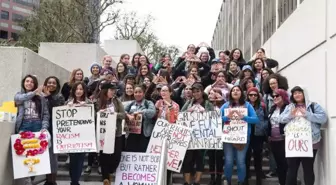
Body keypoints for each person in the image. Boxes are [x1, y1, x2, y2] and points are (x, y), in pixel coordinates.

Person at [279, 86, 328, 185]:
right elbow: (280, 119)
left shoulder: (313, 106)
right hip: (293, 143)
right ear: (292, 96)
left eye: (299, 92)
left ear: (304, 94)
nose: (297, 95)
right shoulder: (289, 107)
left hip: (310, 143)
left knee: (308, 170)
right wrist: (290, 116)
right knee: (291, 170)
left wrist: (307, 114)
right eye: (295, 93)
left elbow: (323, 118)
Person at [14, 74, 50, 185]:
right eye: (27, 81)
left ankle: (31, 178)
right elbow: (20, 99)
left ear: (34, 84)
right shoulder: (19, 95)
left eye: (31, 82)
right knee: (24, 156)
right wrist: (35, 92)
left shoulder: (41, 98)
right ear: (23, 83)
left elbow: (45, 114)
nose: (29, 83)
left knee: (36, 156)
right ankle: (27, 182)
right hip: (24, 126)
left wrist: (44, 127)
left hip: (37, 126)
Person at [220, 85, 259, 185]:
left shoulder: (248, 106)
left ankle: (241, 182)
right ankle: (227, 181)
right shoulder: (225, 106)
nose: (236, 92)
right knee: (228, 161)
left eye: (238, 90)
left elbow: (256, 119)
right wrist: (226, 117)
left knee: (240, 162)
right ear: (230, 93)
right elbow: (217, 120)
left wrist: (244, 117)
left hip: (243, 138)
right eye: (233, 90)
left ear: (242, 93)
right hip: (228, 138)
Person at [96, 82, 125, 185]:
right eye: (111, 90)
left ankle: (110, 171)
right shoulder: (97, 102)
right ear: (105, 91)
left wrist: (114, 114)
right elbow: (92, 117)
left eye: (114, 90)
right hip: (102, 134)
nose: (113, 92)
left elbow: (123, 115)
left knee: (116, 157)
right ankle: (106, 179)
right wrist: (99, 114)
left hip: (116, 133)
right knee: (104, 158)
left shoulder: (117, 101)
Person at [66, 82, 92, 185]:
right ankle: (73, 180)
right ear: (73, 91)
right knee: (72, 160)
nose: (79, 91)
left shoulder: (89, 103)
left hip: (83, 136)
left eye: (81, 89)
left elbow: (92, 118)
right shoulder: (68, 103)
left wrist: (86, 107)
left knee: (80, 160)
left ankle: (75, 182)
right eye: (77, 89)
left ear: (84, 91)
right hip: (71, 136)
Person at [42, 76, 65, 185]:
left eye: (54, 83)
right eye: (49, 82)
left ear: (57, 85)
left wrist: (49, 97)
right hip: (43, 128)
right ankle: (47, 180)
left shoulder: (59, 97)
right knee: (46, 157)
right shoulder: (40, 96)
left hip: (55, 130)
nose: (51, 84)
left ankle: (52, 181)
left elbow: (57, 110)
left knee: (53, 157)